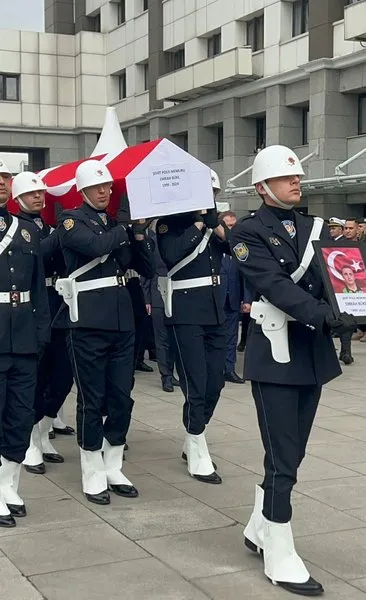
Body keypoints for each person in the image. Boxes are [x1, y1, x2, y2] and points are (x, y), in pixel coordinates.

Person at [230, 145, 356, 596]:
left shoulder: (315, 227)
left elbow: (338, 273)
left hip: (311, 353)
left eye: (298, 176)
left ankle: (258, 526)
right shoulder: (246, 232)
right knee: (284, 458)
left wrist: (353, 300)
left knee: (293, 452)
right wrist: (327, 315)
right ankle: (279, 551)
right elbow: (275, 285)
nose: (296, 182)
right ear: (263, 187)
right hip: (275, 352)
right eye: (286, 178)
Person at [53, 159, 155, 505]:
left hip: (122, 320)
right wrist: (125, 227)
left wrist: (140, 232)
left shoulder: (117, 224)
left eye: (108, 186)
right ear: (83, 190)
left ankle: (113, 464)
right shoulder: (69, 219)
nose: (105, 191)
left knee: (121, 396)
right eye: (98, 187)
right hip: (88, 321)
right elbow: (95, 248)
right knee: (91, 398)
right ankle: (92, 467)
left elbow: (146, 266)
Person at [156, 169, 229, 485]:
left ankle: (193, 432)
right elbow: (172, 254)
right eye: (205, 192)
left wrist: (216, 225)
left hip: (214, 310)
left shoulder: (215, 225)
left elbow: (236, 248)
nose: (210, 198)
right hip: (185, 312)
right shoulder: (170, 222)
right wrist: (199, 223)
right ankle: (197, 445)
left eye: (213, 193)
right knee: (196, 383)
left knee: (216, 383)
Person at [11, 172, 74, 475]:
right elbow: (38, 254)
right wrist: (58, 236)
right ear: (19, 196)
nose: (39, 197)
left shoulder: (52, 226)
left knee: (62, 375)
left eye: (41, 193)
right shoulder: (14, 228)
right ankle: (31, 440)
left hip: (58, 305)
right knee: (34, 377)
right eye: (33, 193)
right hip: (31, 308)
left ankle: (47, 424)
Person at [0, 161, 50, 527]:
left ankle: (8, 484)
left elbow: (37, 290)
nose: (2, 183)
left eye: (5, 178)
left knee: (20, 414)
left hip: (24, 337)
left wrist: (41, 333)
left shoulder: (26, 231)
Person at [141, 221, 180, 393]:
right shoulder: (153, 243)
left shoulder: (180, 242)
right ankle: (166, 377)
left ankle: (172, 373)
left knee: (174, 340)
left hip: (178, 294)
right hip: (158, 294)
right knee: (162, 340)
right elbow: (147, 272)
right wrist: (147, 299)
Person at [219, 211, 244, 384]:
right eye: (228, 226)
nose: (231, 229)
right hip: (216, 300)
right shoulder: (211, 246)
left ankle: (229, 369)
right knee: (215, 338)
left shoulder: (241, 248)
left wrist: (247, 299)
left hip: (233, 299)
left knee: (231, 337)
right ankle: (215, 368)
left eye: (234, 225)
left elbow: (247, 275)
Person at [327, 218, 354, 364]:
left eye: (334, 228)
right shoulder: (328, 242)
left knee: (347, 319)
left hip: (345, 287)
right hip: (333, 286)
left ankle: (346, 351)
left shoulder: (347, 244)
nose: (331, 230)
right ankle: (344, 351)